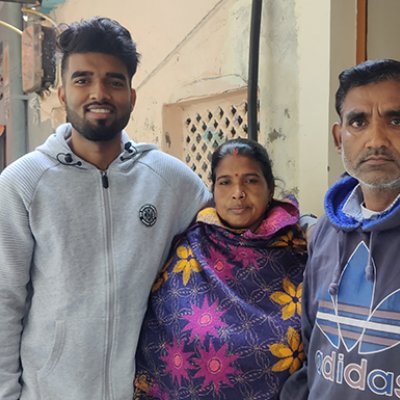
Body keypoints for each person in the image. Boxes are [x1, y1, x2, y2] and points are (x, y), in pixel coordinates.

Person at [0, 17, 211, 400]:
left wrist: (309, 228)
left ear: (131, 94)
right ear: (62, 93)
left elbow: (235, 228)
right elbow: (3, 301)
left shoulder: (169, 180)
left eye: (114, 81)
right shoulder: (22, 184)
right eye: (82, 79)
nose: (99, 92)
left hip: (146, 391)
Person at [134, 138, 308, 399]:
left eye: (250, 180)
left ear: (270, 188)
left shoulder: (299, 249)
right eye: (225, 182)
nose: (237, 192)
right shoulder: (190, 247)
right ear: (213, 191)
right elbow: (160, 325)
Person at [280, 58, 400, 400]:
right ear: (338, 136)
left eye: (395, 119)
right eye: (358, 121)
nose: (376, 139)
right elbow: (310, 340)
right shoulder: (323, 234)